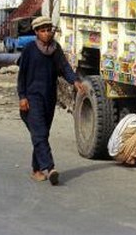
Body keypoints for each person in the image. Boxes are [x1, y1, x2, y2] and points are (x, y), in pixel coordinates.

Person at [17, 15, 84, 185]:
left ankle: (36, 169)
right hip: (32, 98)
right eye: (43, 31)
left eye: (49, 30)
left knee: (42, 134)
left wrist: (74, 81)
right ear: (36, 32)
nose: (47, 34)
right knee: (39, 133)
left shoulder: (55, 50)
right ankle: (50, 167)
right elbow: (22, 75)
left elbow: (65, 67)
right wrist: (22, 97)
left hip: (49, 97)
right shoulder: (30, 50)